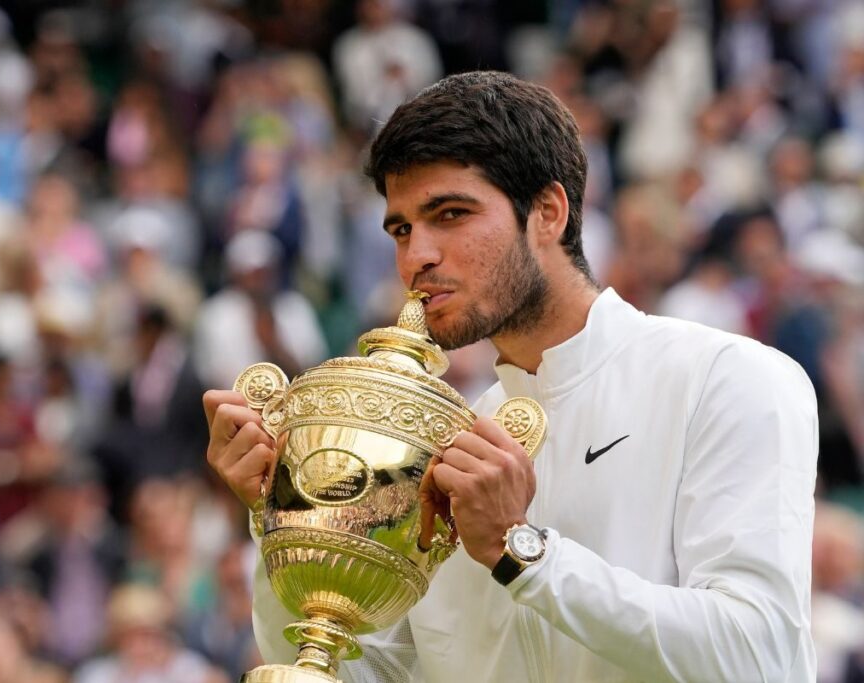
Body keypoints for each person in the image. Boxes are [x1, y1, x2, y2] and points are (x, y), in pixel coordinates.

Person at [203, 71, 818, 681]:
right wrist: (284, 515)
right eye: (401, 228)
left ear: (547, 213)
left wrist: (521, 552)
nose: (417, 256)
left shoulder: (728, 379)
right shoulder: (434, 442)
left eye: (451, 213)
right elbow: (350, 674)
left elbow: (755, 656)